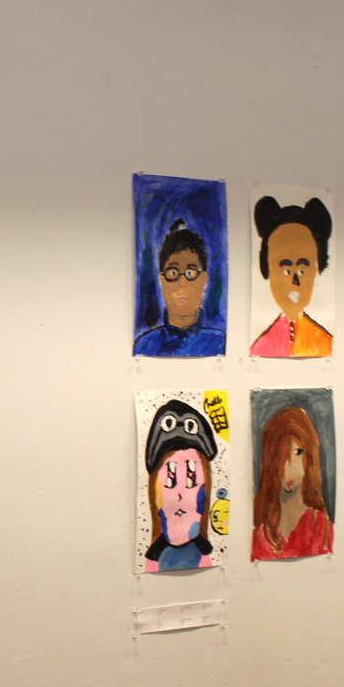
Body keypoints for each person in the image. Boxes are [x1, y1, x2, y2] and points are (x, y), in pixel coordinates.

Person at [250, 196, 333, 357]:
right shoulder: (259, 348)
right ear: (268, 269)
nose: (295, 282)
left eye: (302, 271)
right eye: (286, 271)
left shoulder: (326, 344)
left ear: (317, 269)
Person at [144, 399, 218, 571]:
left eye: (191, 479)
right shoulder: (152, 561)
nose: (180, 494)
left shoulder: (207, 559)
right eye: (170, 479)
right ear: (154, 490)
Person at [134, 219, 225, 357]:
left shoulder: (220, 343)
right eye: (173, 273)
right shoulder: (145, 346)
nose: (182, 282)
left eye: (190, 273)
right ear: (162, 280)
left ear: (204, 280)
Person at [252, 406, 333, 560]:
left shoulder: (320, 525)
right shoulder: (259, 527)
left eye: (298, 453)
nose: (290, 468)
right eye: (281, 456)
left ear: (310, 457)